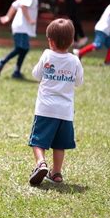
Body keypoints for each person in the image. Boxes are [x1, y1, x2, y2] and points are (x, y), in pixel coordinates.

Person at [28, 19, 83, 186]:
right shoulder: (74, 60)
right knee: (60, 144)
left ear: (50, 41)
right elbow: (79, 82)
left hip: (45, 108)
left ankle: (41, 163)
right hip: (65, 111)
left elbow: (36, 75)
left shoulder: (47, 55)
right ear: (72, 41)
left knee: (38, 140)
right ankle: (57, 173)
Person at [0, 0, 44, 79]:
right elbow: (23, 6)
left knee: (24, 49)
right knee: (21, 48)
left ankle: (16, 72)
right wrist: (30, 20)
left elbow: (14, 4)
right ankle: (2, 62)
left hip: (21, 27)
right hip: (22, 27)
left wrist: (8, 16)